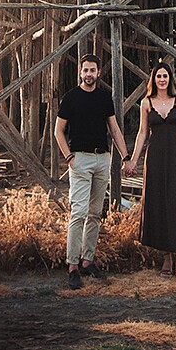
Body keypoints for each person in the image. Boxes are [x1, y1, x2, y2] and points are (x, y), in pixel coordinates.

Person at [54, 52, 127, 289]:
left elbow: (114, 130)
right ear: (80, 72)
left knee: (95, 212)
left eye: (92, 70)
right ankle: (72, 265)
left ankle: (88, 260)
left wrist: (124, 156)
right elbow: (59, 131)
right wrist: (69, 158)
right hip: (81, 160)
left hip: (102, 158)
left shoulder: (104, 98)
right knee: (79, 212)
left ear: (98, 73)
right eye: (85, 70)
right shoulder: (71, 98)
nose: (88, 74)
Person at [124, 58, 176, 281]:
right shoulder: (146, 103)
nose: (162, 79)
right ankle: (166, 257)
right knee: (159, 203)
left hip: (174, 158)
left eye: (165, 76)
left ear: (170, 79)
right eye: (158, 76)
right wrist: (133, 160)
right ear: (153, 79)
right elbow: (142, 133)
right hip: (154, 159)